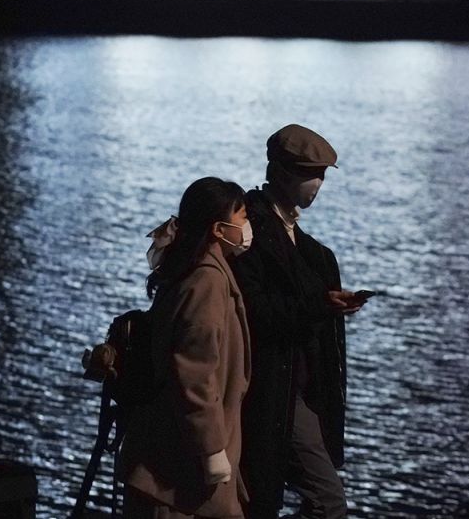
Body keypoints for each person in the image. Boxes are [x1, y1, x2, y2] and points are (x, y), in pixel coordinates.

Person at [229, 125, 366, 519]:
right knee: (328, 502)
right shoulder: (252, 233)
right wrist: (321, 305)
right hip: (272, 389)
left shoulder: (296, 240)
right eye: (313, 174)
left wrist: (326, 304)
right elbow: (258, 313)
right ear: (284, 174)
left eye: (322, 175)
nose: (319, 184)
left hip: (294, 389)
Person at [121, 177, 255, 519]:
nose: (247, 225)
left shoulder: (191, 268)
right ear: (218, 228)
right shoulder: (207, 281)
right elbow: (194, 372)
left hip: (174, 460)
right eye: (241, 216)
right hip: (178, 472)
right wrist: (211, 449)